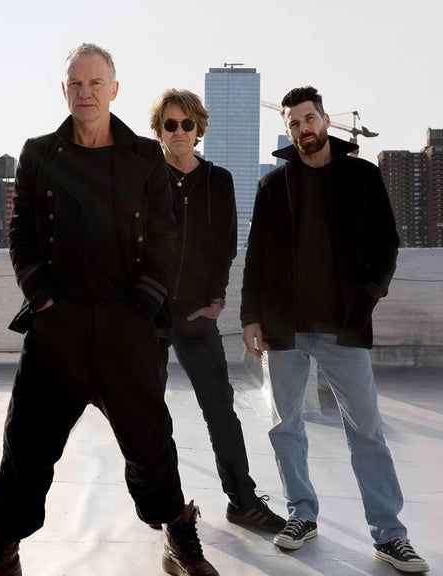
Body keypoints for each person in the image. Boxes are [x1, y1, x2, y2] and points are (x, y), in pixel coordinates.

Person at [0, 44, 218, 576]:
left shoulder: (145, 157)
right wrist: (41, 297)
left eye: (96, 82)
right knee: (26, 447)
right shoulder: (39, 154)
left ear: (114, 89)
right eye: (76, 84)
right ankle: (2, 549)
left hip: (126, 328)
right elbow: (21, 235)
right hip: (57, 328)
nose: (86, 93)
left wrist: (142, 306)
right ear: (64, 90)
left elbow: (166, 236)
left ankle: (178, 536)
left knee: (150, 444)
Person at [240, 86, 429, 573]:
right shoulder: (273, 185)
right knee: (286, 426)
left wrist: (368, 298)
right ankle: (301, 514)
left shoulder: (362, 176)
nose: (303, 128)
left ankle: (389, 534)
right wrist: (250, 316)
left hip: (344, 326)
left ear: (325, 120)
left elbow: (387, 243)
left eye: (309, 119)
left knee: (366, 430)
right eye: (293, 123)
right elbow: (257, 256)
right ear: (288, 131)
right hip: (285, 327)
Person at [148, 89, 285, 533]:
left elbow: (226, 245)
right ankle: (167, 507)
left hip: (196, 314)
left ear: (199, 129)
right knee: (149, 414)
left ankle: (242, 501)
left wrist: (216, 300)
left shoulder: (218, 180)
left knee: (220, 409)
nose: (179, 132)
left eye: (187, 124)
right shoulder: (146, 176)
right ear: (159, 130)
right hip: (149, 314)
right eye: (170, 124)